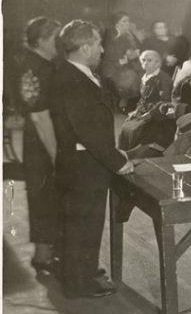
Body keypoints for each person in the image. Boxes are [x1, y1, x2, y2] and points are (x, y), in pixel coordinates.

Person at [51, 20, 134, 298]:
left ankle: (81, 271)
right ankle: (79, 284)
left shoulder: (72, 73)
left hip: (81, 162)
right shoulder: (73, 78)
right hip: (84, 167)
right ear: (85, 47)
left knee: (80, 224)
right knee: (84, 224)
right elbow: (87, 131)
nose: (101, 49)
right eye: (98, 43)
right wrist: (118, 161)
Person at [9, 17, 62, 275]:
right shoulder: (43, 68)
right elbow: (41, 117)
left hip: (32, 141)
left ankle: (46, 253)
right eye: (55, 39)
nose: (59, 44)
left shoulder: (26, 63)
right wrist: (56, 154)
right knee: (46, 196)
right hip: (43, 141)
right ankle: (43, 256)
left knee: (40, 196)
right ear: (41, 40)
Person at [99, 12, 141, 108]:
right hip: (110, 65)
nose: (127, 23)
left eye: (128, 21)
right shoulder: (109, 34)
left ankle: (128, 101)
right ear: (116, 23)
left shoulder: (129, 35)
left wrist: (134, 52)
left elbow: (138, 47)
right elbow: (109, 54)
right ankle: (123, 102)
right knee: (129, 75)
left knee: (137, 72)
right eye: (124, 21)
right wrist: (127, 57)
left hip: (124, 64)